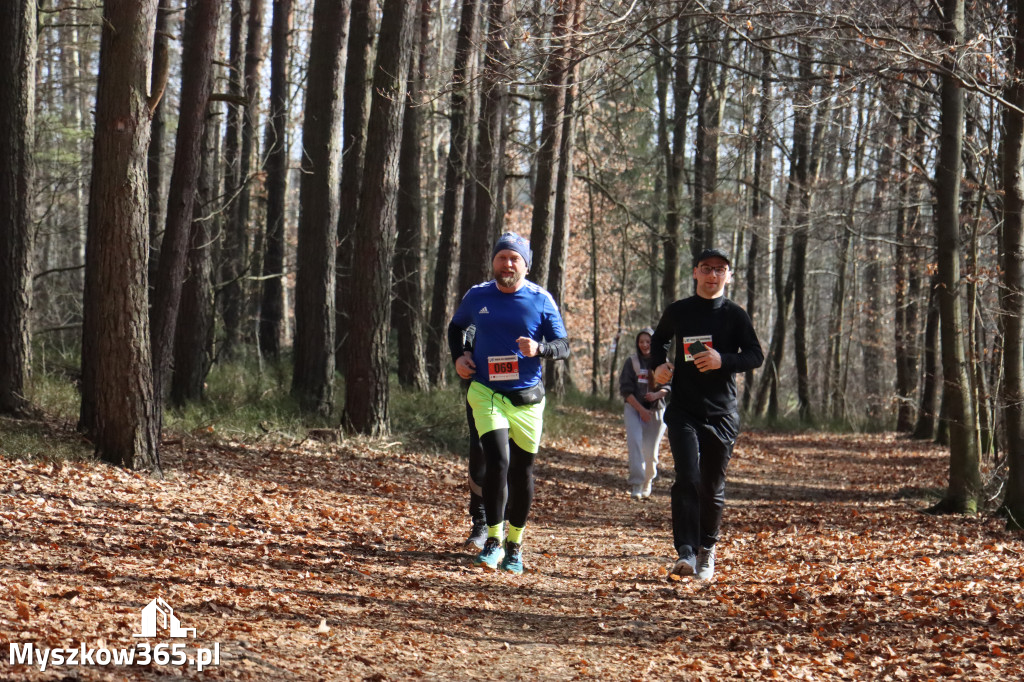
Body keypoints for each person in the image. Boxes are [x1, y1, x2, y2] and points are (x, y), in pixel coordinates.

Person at [448, 232, 570, 574]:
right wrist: (460, 357)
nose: (508, 263)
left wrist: (540, 349)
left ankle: (515, 545)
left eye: (514, 258)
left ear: (526, 265)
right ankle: (493, 539)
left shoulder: (540, 299)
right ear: (494, 262)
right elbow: (456, 328)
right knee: (497, 461)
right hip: (486, 392)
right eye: (502, 257)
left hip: (528, 399)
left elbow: (563, 345)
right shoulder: (478, 295)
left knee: (522, 471)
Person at [650, 248, 763, 581]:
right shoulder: (679, 311)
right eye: (707, 269)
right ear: (695, 272)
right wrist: (658, 366)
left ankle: (707, 549)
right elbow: (658, 342)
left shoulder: (735, 315)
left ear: (729, 275)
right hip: (684, 407)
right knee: (687, 477)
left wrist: (722, 360)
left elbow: (755, 355)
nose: (713, 275)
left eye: (720, 270)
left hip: (722, 412)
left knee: (711, 486)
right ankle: (685, 550)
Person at [619, 327, 670, 500]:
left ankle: (648, 481)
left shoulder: (663, 362)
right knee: (635, 447)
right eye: (641, 342)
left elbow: (669, 386)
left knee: (651, 452)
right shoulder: (631, 362)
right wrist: (641, 410)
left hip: (657, 411)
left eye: (648, 341)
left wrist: (656, 395)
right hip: (634, 409)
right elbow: (625, 390)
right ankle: (636, 484)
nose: (645, 345)